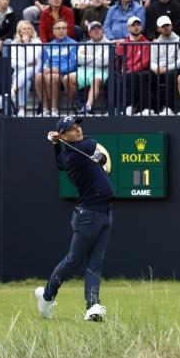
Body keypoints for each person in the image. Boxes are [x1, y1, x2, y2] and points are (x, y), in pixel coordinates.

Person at [38, 115, 113, 322]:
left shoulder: (67, 155)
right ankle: (47, 296)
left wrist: (56, 144)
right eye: (71, 128)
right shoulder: (76, 154)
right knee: (73, 261)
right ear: (64, 135)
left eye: (78, 124)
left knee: (95, 263)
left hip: (105, 212)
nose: (78, 129)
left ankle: (93, 306)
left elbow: (59, 163)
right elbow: (91, 142)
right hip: (90, 215)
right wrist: (59, 141)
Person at [38, 19, 77, 116]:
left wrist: (58, 70)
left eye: (64, 28)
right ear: (53, 31)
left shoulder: (74, 44)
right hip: (52, 72)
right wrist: (46, 69)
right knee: (38, 76)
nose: (61, 30)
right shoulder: (48, 46)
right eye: (58, 28)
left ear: (67, 30)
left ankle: (54, 108)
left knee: (51, 77)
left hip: (65, 73)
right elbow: (45, 62)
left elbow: (73, 64)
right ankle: (45, 109)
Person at [116, 15, 152, 115]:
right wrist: (122, 69)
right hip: (125, 70)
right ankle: (115, 108)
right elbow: (119, 60)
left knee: (133, 76)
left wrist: (130, 70)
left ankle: (130, 106)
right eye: (133, 25)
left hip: (138, 71)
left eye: (138, 25)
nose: (136, 27)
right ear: (128, 28)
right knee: (112, 78)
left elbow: (144, 62)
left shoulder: (146, 43)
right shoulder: (123, 43)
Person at [150, 15, 180, 114]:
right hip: (159, 69)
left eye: (167, 25)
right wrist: (157, 68)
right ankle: (148, 108)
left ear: (171, 26)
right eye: (163, 26)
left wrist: (166, 68)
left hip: (174, 69)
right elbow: (152, 62)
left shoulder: (179, 40)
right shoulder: (155, 43)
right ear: (158, 28)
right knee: (144, 75)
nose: (166, 28)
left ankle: (169, 108)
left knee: (170, 74)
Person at [74, 20, 110, 114]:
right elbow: (79, 59)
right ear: (89, 33)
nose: (96, 30)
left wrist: (87, 59)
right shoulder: (84, 43)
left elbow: (104, 61)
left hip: (101, 71)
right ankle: (77, 105)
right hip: (84, 70)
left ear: (102, 30)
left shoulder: (108, 43)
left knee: (96, 80)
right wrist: (96, 57)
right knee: (67, 78)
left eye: (98, 28)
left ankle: (88, 106)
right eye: (93, 29)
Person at [9, 19, 43, 116]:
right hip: (19, 73)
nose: (27, 30)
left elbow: (32, 58)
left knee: (28, 70)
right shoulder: (14, 43)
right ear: (19, 31)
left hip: (35, 72)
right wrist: (26, 64)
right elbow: (12, 63)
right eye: (24, 29)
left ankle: (13, 89)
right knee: (26, 82)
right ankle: (21, 109)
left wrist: (27, 43)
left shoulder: (37, 42)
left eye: (29, 28)